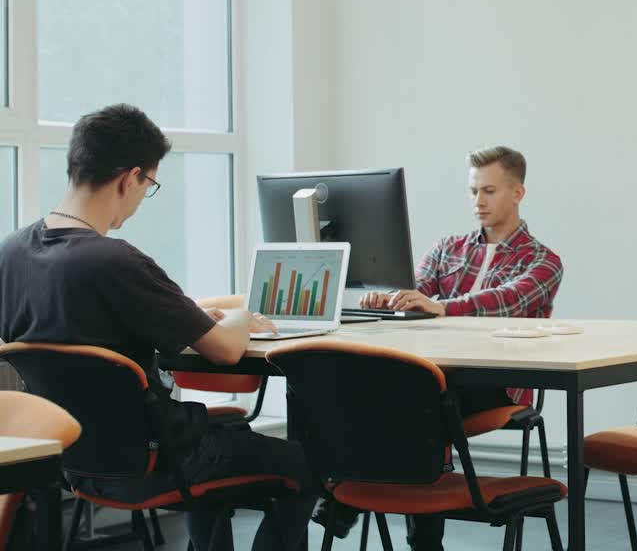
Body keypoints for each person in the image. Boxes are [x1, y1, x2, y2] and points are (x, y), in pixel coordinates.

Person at [0, 104, 316, 551]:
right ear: (130, 179)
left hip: (67, 459)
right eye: (148, 184)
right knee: (302, 463)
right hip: (155, 460)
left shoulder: (10, 252)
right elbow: (225, 350)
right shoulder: (115, 260)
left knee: (224, 435)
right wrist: (245, 316)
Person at [346, 145, 564, 551]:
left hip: (499, 382)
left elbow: (506, 301)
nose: (478, 201)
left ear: (518, 193)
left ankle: (349, 503)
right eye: (472, 191)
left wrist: (442, 306)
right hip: (436, 376)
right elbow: (416, 293)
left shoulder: (543, 261)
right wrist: (391, 297)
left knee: (416, 403)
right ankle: (417, 535)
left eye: (489, 191)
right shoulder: (447, 248)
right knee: (399, 394)